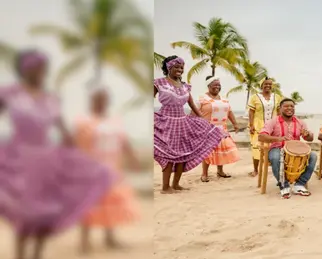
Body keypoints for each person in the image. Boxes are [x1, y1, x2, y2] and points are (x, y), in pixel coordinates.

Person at [0, 50, 114, 259]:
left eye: (43, 69)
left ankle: (36, 255)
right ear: (25, 69)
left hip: (46, 161)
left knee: (46, 214)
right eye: (37, 68)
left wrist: (80, 161)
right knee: (26, 215)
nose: (41, 73)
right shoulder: (10, 94)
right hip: (19, 159)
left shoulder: (50, 98)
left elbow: (64, 133)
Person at [74, 87, 142, 254]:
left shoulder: (114, 120)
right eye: (98, 98)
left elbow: (124, 141)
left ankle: (110, 238)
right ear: (92, 101)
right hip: (92, 169)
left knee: (110, 203)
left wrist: (133, 158)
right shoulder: (84, 121)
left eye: (104, 99)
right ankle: (84, 242)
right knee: (89, 204)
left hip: (113, 168)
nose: (102, 102)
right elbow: (76, 146)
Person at [153, 55, 225, 194]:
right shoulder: (159, 83)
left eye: (181, 67)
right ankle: (165, 187)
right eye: (176, 67)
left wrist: (202, 119)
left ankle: (176, 185)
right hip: (166, 121)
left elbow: (191, 104)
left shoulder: (185, 86)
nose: (179, 70)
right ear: (169, 68)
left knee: (182, 154)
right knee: (169, 155)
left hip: (182, 122)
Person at [257, 98, 317, 199]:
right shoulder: (273, 121)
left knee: (313, 156)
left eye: (292, 106)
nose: (289, 108)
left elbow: (310, 139)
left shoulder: (300, 122)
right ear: (280, 109)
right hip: (277, 148)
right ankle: (284, 185)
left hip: (295, 151)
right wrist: (278, 138)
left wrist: (307, 134)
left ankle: (299, 184)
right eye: (286, 106)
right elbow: (261, 136)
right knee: (276, 157)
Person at [197, 75, 241, 182]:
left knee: (222, 149)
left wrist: (235, 124)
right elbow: (195, 112)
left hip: (222, 128)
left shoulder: (224, 99)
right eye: (214, 85)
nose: (217, 87)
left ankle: (220, 171)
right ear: (208, 86)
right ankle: (204, 174)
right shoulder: (203, 99)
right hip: (208, 128)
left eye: (219, 85)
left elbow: (229, 112)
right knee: (208, 151)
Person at [248, 78, 284, 178]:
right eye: (265, 84)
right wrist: (251, 125)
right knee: (257, 147)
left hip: (273, 126)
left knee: (273, 146)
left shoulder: (277, 97)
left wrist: (281, 124)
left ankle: (273, 168)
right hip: (258, 125)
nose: (268, 86)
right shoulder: (255, 97)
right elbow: (251, 111)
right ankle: (256, 170)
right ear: (261, 85)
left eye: (270, 84)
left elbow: (279, 111)